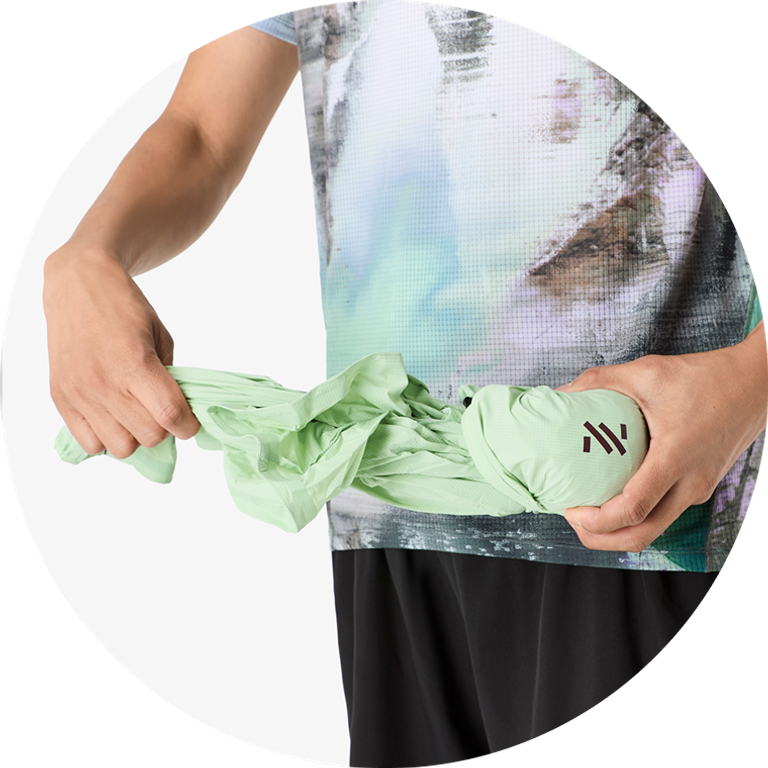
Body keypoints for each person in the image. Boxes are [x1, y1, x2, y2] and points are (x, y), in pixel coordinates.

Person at [43, 8, 766, 767]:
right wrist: (88, 253)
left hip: (654, 508)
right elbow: (201, 132)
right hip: (389, 518)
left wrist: (748, 383)